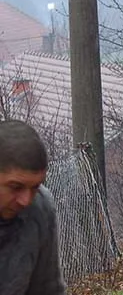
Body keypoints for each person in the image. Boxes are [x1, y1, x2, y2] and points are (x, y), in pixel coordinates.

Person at [0, 120, 66, 294]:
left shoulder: (40, 208)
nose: (26, 200)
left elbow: (47, 289)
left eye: (35, 186)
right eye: (15, 187)